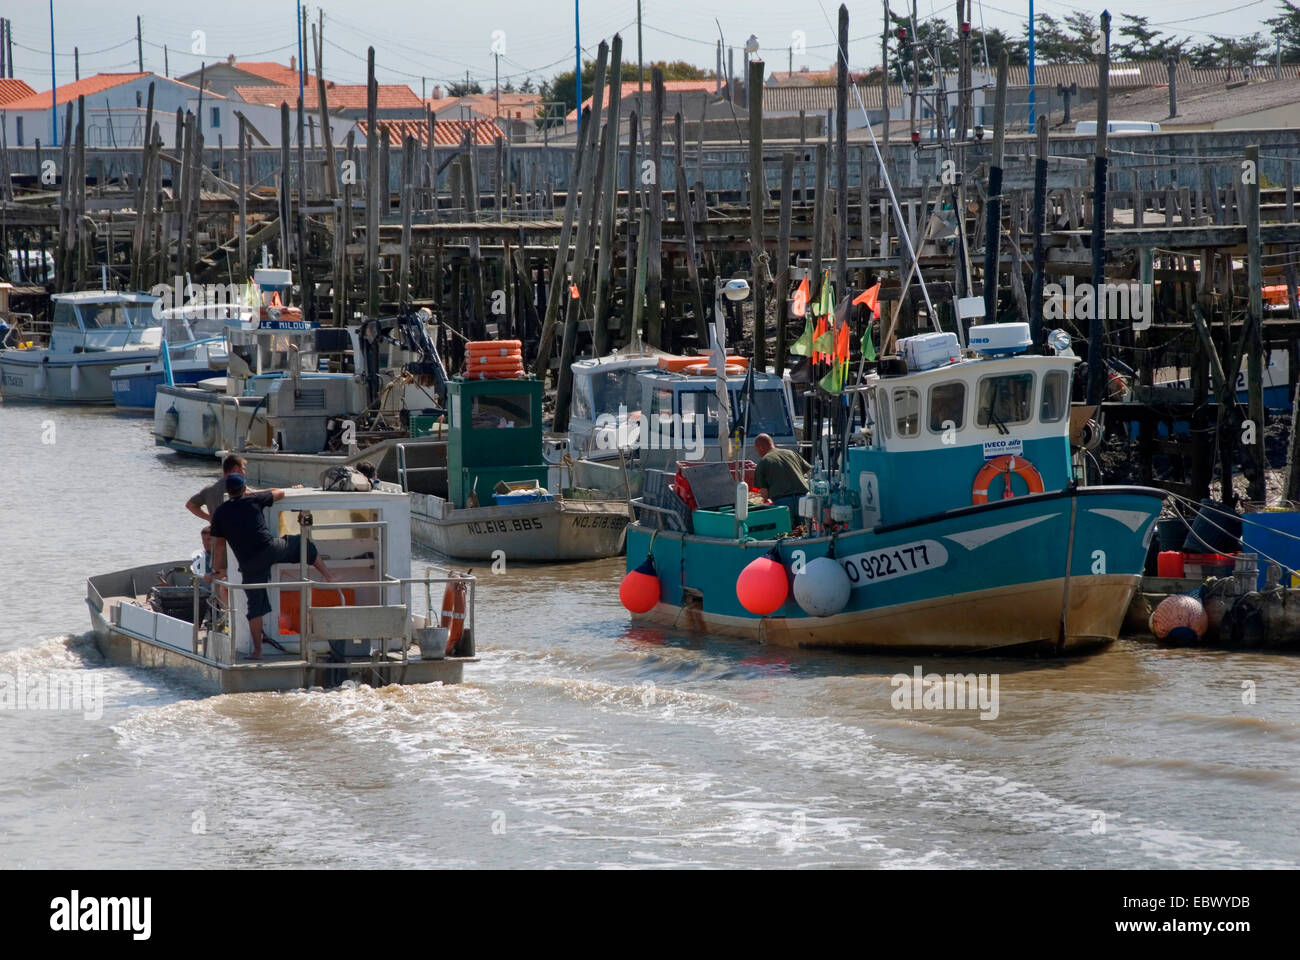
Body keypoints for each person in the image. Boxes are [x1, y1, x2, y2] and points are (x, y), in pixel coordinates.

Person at [210, 474, 336, 660]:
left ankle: (257, 652)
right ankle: (329, 576)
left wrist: (217, 569)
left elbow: (219, 546)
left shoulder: (220, 513)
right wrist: (254, 492)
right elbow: (280, 493)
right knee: (303, 544)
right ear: (244, 488)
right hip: (269, 550)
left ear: (227, 492)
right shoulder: (253, 499)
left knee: (255, 608)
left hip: (249, 563)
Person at [752, 433, 812, 524]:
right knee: (807, 532)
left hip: (782, 503)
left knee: (787, 534)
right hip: (803, 499)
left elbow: (764, 493)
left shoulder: (763, 462)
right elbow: (809, 471)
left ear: (760, 447)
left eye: (756, 450)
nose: (758, 454)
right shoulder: (791, 453)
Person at [186, 455, 249, 522]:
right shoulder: (241, 488)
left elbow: (190, 505)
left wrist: (210, 518)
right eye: (243, 469)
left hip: (217, 530)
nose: (244, 473)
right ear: (235, 469)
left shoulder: (209, 489)